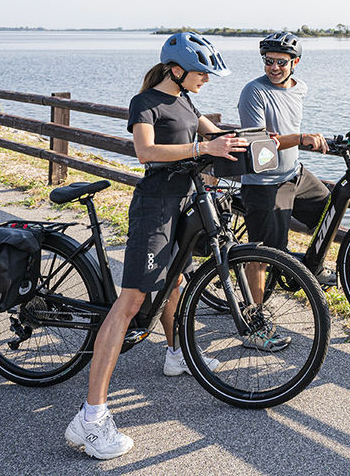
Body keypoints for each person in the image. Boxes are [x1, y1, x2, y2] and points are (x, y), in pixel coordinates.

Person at [65, 31, 247, 460]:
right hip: (155, 207)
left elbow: (220, 135)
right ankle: (91, 417)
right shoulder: (144, 102)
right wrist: (203, 146)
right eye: (201, 72)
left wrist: (264, 140)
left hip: (182, 202)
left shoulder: (186, 101)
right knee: (130, 303)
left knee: (177, 280)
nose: (206, 79)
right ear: (177, 69)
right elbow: (145, 151)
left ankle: (176, 352)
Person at [236, 31, 332, 351]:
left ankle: (311, 267)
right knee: (263, 256)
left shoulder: (300, 88)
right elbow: (261, 141)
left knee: (329, 209)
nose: (274, 67)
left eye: (281, 62)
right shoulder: (254, 92)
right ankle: (254, 326)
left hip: (295, 174)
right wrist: (302, 138)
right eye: (268, 61)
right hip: (264, 183)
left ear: (295, 62)